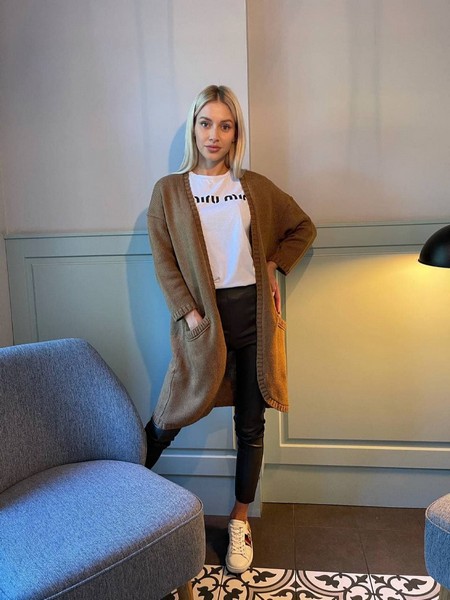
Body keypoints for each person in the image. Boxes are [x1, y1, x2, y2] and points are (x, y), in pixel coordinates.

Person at [145, 84, 316, 574]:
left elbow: (303, 227)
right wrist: (190, 314)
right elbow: (164, 261)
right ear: (194, 128)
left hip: (254, 319)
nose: (214, 135)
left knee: (251, 425)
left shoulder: (253, 186)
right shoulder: (169, 190)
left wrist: (273, 264)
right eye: (206, 123)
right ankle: (121, 490)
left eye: (225, 125)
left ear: (236, 133)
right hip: (205, 323)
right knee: (170, 415)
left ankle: (240, 520)